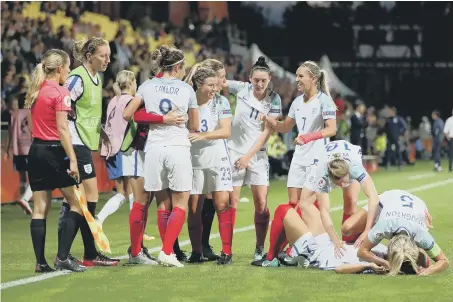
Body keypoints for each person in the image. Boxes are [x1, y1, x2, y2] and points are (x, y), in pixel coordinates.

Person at [124, 45, 199, 267]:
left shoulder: (147, 85)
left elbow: (128, 113)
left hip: (154, 148)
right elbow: (194, 125)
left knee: (161, 203)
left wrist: (159, 118)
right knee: (181, 201)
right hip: (177, 146)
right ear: (177, 67)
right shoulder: (187, 90)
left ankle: (165, 253)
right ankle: (167, 251)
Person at [260, 61, 337, 262]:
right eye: (296, 76)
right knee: (293, 204)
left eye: (301, 76)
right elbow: (285, 127)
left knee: (307, 206)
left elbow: (331, 129)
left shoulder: (324, 101)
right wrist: (269, 121)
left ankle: (304, 248)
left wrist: (308, 137)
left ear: (313, 78)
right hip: (299, 157)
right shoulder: (296, 102)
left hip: (317, 159)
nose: (297, 80)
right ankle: (297, 249)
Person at [58, 37, 119, 267]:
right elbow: (62, 101)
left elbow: (85, 111)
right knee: (89, 199)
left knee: (84, 200)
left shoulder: (96, 77)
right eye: (103, 55)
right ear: (89, 55)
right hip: (76, 143)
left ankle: (85, 254)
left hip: (86, 142)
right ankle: (77, 254)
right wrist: (67, 125)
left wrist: (100, 130)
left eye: (109, 55)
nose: (107, 59)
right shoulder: (77, 77)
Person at [25, 49, 86, 273]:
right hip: (53, 151)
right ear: (60, 69)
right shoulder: (61, 93)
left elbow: (32, 126)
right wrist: (72, 159)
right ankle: (62, 258)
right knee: (77, 205)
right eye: (68, 68)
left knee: (39, 208)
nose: (69, 72)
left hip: (36, 150)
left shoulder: (35, 90)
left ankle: (41, 263)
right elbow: (62, 128)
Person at [225, 56, 282, 260]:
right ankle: (227, 250)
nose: (259, 84)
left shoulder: (274, 99)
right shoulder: (241, 89)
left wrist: (248, 157)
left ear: (269, 80)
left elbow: (267, 132)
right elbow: (218, 80)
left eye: (263, 81)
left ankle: (259, 247)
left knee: (260, 203)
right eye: (256, 80)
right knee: (232, 201)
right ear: (250, 78)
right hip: (234, 151)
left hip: (257, 156)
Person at [183, 67, 234, 265]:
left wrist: (202, 135)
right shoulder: (188, 100)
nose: (215, 88)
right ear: (198, 85)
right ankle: (196, 252)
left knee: (222, 204)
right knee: (194, 208)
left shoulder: (221, 101)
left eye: (216, 84)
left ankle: (227, 252)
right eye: (210, 85)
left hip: (217, 157)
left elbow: (226, 130)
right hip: (194, 159)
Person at [300, 140, 380, 258]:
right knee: (304, 203)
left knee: (351, 200)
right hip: (322, 158)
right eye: (339, 183)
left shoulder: (355, 167)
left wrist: (367, 230)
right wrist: (335, 240)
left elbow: (374, 197)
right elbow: (324, 212)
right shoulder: (322, 177)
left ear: (348, 173)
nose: (343, 185)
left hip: (348, 152)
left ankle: (349, 243)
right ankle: (303, 245)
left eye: (344, 181)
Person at [358, 190, 449, 276]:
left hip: (418, 205)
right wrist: (385, 263)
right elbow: (362, 251)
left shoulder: (421, 235)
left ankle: (419, 254)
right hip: (390, 197)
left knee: (421, 261)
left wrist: (428, 271)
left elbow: (444, 261)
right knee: (347, 228)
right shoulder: (383, 226)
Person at [4, 95, 33, 214]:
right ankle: (25, 200)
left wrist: (6, 150)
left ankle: (24, 202)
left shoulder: (14, 114)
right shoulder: (31, 113)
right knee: (36, 176)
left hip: (18, 149)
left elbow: (10, 133)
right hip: (31, 149)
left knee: (22, 178)